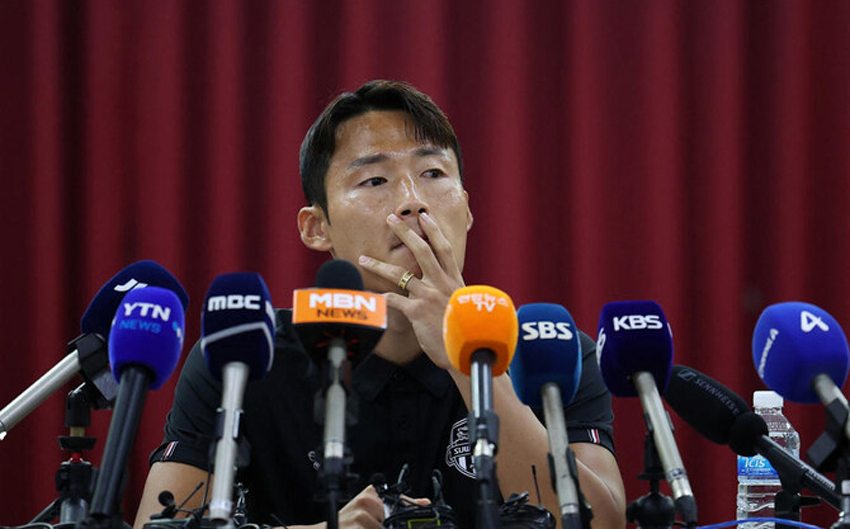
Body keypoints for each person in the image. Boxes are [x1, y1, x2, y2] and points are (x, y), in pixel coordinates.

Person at [134, 80, 626, 528]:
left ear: (468, 209)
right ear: (316, 228)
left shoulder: (549, 351)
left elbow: (600, 523)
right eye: (375, 181)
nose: (413, 201)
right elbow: (156, 524)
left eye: (433, 172)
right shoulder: (243, 356)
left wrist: (468, 360)